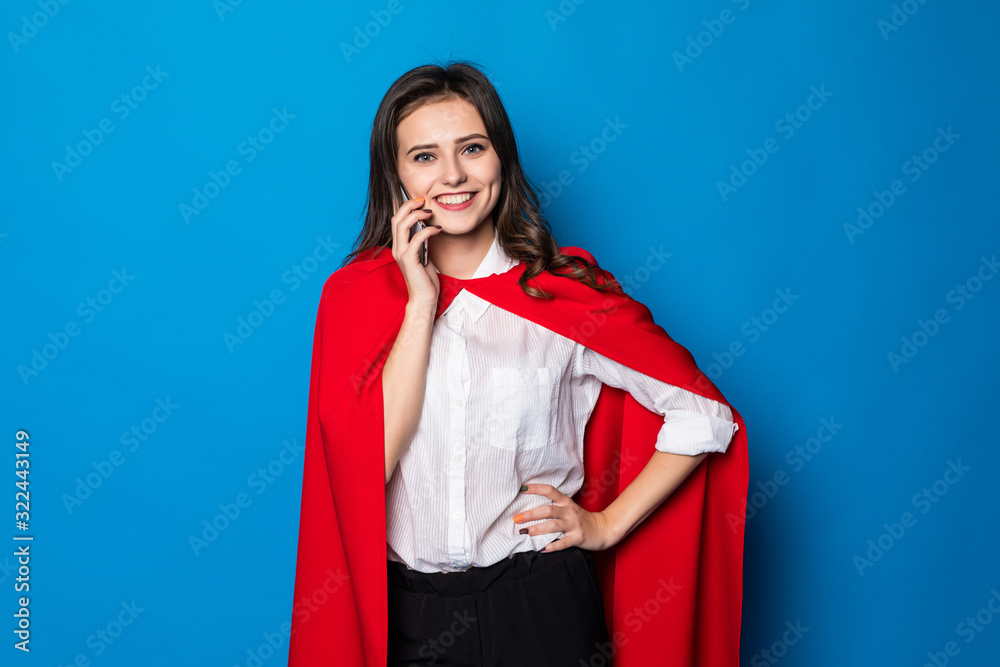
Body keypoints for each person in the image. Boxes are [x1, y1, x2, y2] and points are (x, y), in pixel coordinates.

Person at [288, 60, 748, 667]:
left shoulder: (562, 294)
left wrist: (606, 525)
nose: (453, 174)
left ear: (500, 156)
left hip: (541, 604)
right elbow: (362, 470)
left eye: (471, 148)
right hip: (408, 613)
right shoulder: (356, 299)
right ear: (395, 175)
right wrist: (421, 303)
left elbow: (703, 414)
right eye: (424, 156)